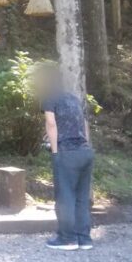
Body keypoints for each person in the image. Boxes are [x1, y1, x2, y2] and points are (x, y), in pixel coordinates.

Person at [37, 65, 94, 251]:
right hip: (85, 152)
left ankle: (67, 239)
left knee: (65, 196)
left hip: (66, 153)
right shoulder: (74, 99)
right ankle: (84, 238)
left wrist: (55, 151)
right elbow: (83, 124)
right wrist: (84, 144)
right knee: (81, 197)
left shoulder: (50, 99)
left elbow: (51, 124)